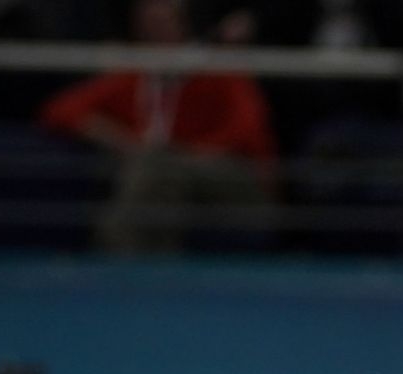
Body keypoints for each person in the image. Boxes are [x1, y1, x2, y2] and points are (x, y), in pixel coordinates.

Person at [40, 0, 279, 253]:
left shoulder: (217, 68)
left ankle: (117, 256)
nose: (154, 32)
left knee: (156, 164)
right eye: (147, 25)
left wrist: (183, 155)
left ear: (184, 24)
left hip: (232, 181)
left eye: (162, 23)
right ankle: (149, 265)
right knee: (153, 167)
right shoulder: (133, 74)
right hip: (160, 176)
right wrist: (120, 140)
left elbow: (248, 130)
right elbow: (59, 111)